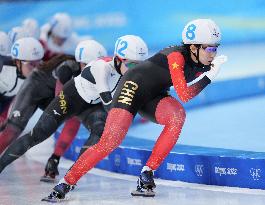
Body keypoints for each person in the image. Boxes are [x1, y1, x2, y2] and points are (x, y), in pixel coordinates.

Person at [43, 19, 227, 201]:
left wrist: (208, 70)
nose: (213, 53)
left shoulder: (201, 59)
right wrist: (210, 76)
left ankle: (147, 173)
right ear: (193, 47)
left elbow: (182, 95)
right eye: (209, 48)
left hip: (154, 94)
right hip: (132, 86)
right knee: (110, 141)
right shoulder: (176, 57)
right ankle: (66, 182)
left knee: (177, 116)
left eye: (215, 48)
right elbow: (185, 94)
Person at [0, 36, 148, 185]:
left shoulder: (119, 67)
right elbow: (103, 103)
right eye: (85, 65)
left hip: (87, 100)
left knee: (99, 130)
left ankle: (70, 177)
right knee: (37, 134)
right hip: (64, 95)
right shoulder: (83, 67)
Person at [40, 40, 108, 182]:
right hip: (73, 97)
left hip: (91, 99)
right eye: (89, 66)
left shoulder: (102, 69)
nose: (94, 69)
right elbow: (60, 99)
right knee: (72, 122)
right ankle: (55, 159)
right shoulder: (66, 70)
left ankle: (62, 162)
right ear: (81, 63)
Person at [0, 37, 43, 131]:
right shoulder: (3, 65)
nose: (36, 69)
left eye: (39, 64)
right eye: (31, 64)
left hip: (7, 100)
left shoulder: (40, 76)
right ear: (18, 62)